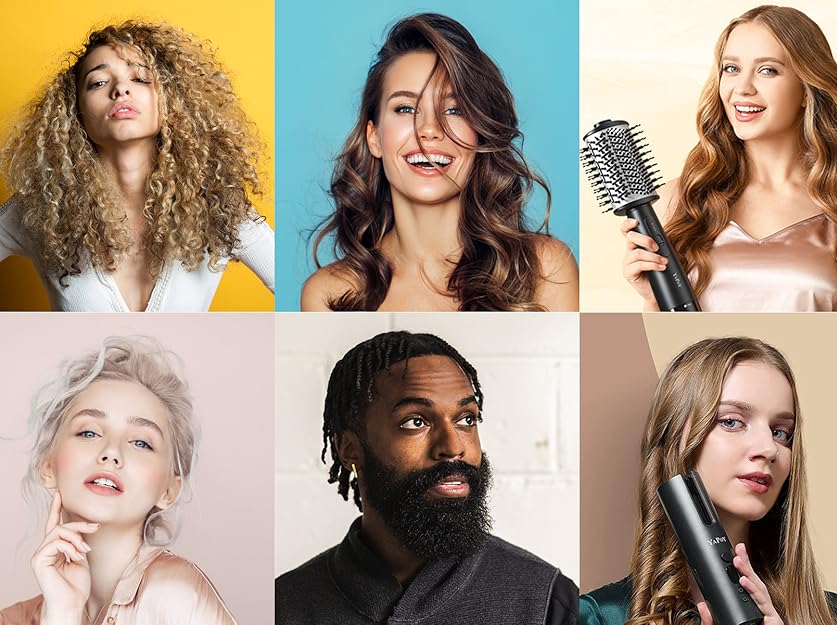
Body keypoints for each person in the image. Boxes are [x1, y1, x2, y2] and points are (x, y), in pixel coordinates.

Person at [274, 331, 575, 624]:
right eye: (415, 421)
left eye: (466, 419)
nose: (453, 446)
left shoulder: (547, 601)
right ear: (350, 449)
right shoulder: (283, 606)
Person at [303, 14, 577, 312]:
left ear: (480, 134)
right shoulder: (332, 294)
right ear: (374, 138)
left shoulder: (544, 269)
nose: (430, 129)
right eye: (406, 108)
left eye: (454, 110)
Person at [580, 337, 837, 625]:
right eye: (731, 422)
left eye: (781, 432)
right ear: (677, 440)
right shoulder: (600, 617)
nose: (768, 448)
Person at [619, 5, 837, 312]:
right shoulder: (675, 203)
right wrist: (655, 299)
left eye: (767, 70)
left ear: (807, 90)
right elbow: (666, 353)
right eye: (731, 69)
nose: (742, 88)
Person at [0, 22, 274, 312]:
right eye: (98, 82)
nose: (121, 90)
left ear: (172, 100)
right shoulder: (41, 208)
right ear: (74, 111)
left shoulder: (218, 207)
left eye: (141, 79)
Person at [1, 336, 234, 624]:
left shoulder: (178, 597)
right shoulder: (11, 619)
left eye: (140, 443)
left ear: (169, 489)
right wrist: (63, 614)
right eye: (89, 433)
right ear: (47, 465)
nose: (111, 452)